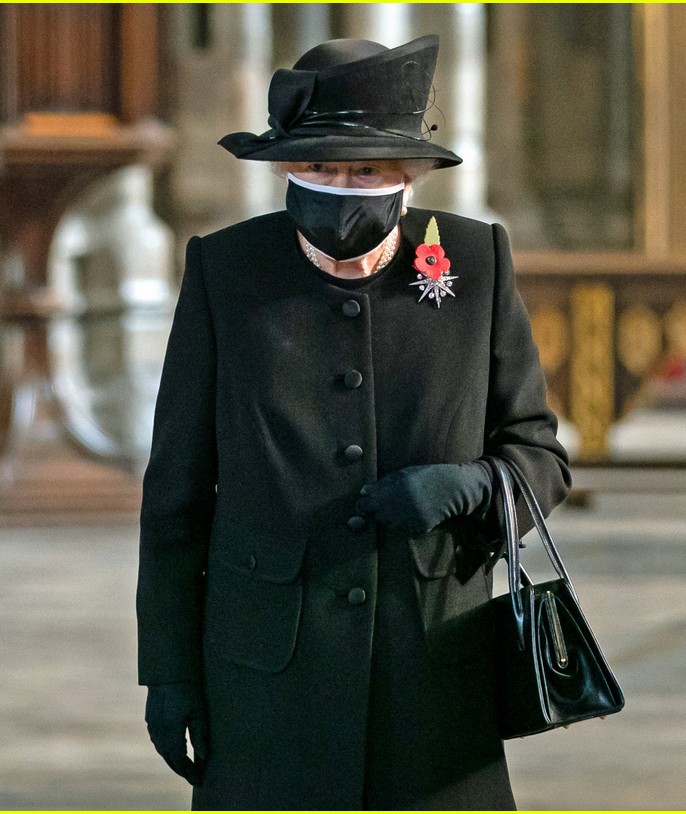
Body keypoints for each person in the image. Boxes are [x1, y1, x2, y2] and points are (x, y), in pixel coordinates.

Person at [137, 34, 571, 810]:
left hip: (435, 667)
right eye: (317, 168)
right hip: (268, 676)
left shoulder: (475, 264)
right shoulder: (224, 271)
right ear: (284, 171)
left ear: (406, 177)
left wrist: (466, 486)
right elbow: (175, 493)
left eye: (363, 170)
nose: (339, 186)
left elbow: (541, 455)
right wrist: (168, 671)